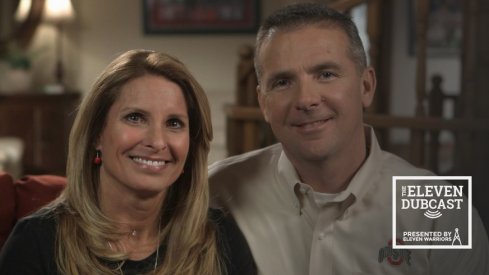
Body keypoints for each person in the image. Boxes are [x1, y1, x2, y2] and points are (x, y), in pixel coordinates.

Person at [209, 3, 489, 275]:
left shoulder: (441, 213)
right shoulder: (218, 191)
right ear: (263, 103)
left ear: (366, 86)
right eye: (282, 82)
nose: (306, 100)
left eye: (326, 74)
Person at [0, 49, 255, 275]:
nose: (157, 141)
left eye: (174, 123)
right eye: (135, 117)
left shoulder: (222, 239)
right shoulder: (35, 243)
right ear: (97, 134)